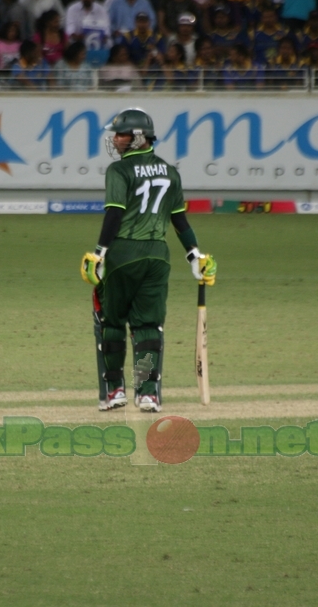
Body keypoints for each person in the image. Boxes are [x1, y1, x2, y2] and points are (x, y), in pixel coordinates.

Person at [81, 107, 217, 413]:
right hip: (158, 257)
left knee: (112, 323)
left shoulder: (119, 171)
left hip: (123, 254)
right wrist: (195, 255)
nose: (115, 139)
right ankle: (147, 394)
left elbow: (114, 213)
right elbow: (179, 219)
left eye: (121, 134)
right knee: (148, 326)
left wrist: (99, 252)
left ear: (139, 137)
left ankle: (115, 390)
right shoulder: (170, 171)